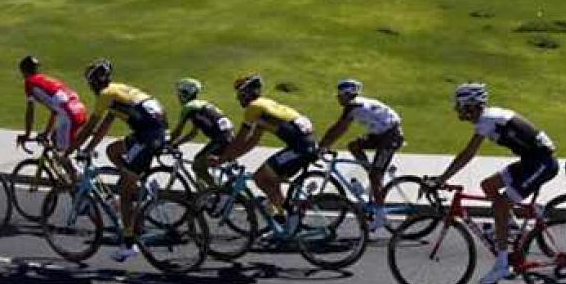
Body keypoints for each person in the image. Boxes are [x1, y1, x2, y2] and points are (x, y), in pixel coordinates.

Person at [432, 83, 557, 284]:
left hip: (542, 164)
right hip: (531, 161)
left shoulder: (487, 120)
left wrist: (442, 178)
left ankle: (502, 264)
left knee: (500, 205)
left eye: (460, 105)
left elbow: (467, 154)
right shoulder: (490, 116)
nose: (457, 109)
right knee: (488, 185)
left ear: (472, 105)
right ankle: (513, 228)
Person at [78, 59, 168, 262]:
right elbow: (105, 126)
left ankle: (129, 244)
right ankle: (136, 181)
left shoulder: (105, 95)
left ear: (93, 82)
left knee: (124, 193)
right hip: (152, 131)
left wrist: (71, 150)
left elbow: (90, 127)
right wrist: (89, 149)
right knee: (113, 150)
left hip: (148, 136)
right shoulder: (117, 90)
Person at [214, 74, 318, 225]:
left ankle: (293, 218)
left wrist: (221, 159)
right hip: (305, 145)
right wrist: (231, 156)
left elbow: (240, 139)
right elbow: (251, 142)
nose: (238, 98)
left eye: (239, 94)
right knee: (270, 181)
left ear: (248, 93)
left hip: (300, 148)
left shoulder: (254, 107)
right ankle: (283, 219)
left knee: (260, 178)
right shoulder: (265, 105)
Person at [318, 79, 404, 230]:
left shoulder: (353, 106)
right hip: (382, 134)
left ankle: (380, 217)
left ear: (347, 94)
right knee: (354, 146)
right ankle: (372, 173)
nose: (337, 98)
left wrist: (322, 146)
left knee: (375, 177)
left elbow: (338, 129)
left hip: (391, 136)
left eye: (339, 95)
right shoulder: (357, 103)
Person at [15, 55, 88, 182]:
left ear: (23, 71)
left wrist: (27, 134)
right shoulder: (45, 80)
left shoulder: (30, 83)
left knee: (62, 155)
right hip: (78, 109)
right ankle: (76, 176)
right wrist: (46, 133)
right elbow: (55, 111)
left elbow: (30, 111)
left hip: (69, 115)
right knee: (55, 138)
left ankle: (76, 183)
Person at [168, 78, 234, 190]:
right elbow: (193, 133)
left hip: (221, 139)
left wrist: (166, 143)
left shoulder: (188, 108)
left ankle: (217, 192)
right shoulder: (201, 105)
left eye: (179, 94)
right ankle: (205, 193)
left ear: (185, 94)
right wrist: (177, 144)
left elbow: (177, 132)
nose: (178, 97)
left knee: (197, 166)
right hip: (227, 137)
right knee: (199, 160)